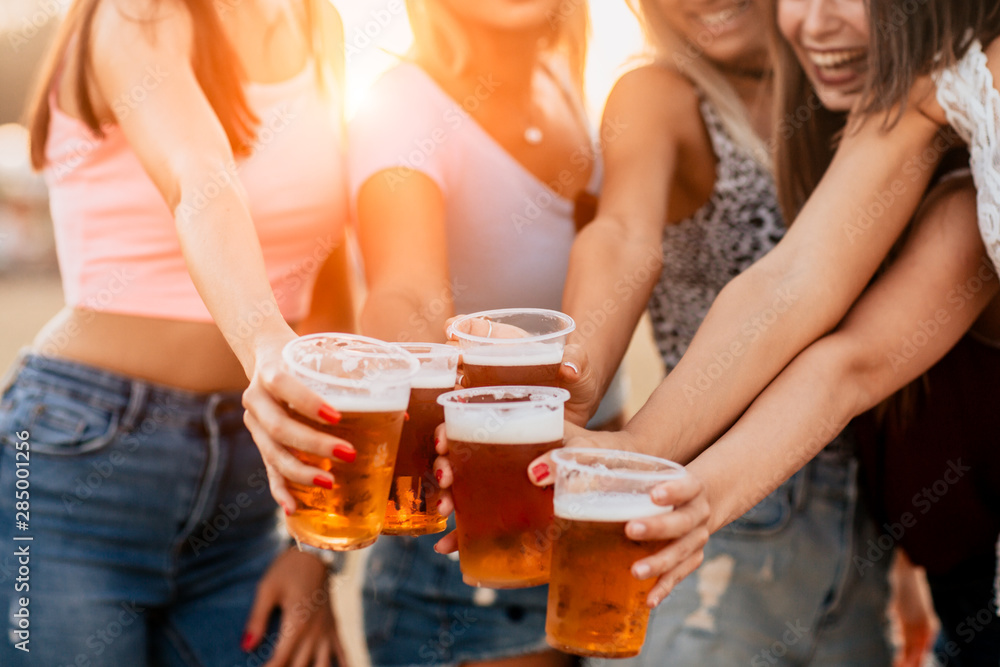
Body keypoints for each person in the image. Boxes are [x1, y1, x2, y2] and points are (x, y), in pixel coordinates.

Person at [519, 0, 1000, 622]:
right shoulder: (934, 91)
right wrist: (648, 463)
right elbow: (820, 322)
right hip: (785, 515)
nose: (817, 20)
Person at [0, 0, 355, 664]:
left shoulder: (318, 23)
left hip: (247, 483)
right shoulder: (135, 14)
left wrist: (314, 544)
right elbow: (200, 178)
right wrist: (266, 345)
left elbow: (326, 278)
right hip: (79, 460)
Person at [347, 1, 622, 665]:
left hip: (582, 521)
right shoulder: (405, 103)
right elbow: (404, 292)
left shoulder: (564, 83)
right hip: (471, 532)